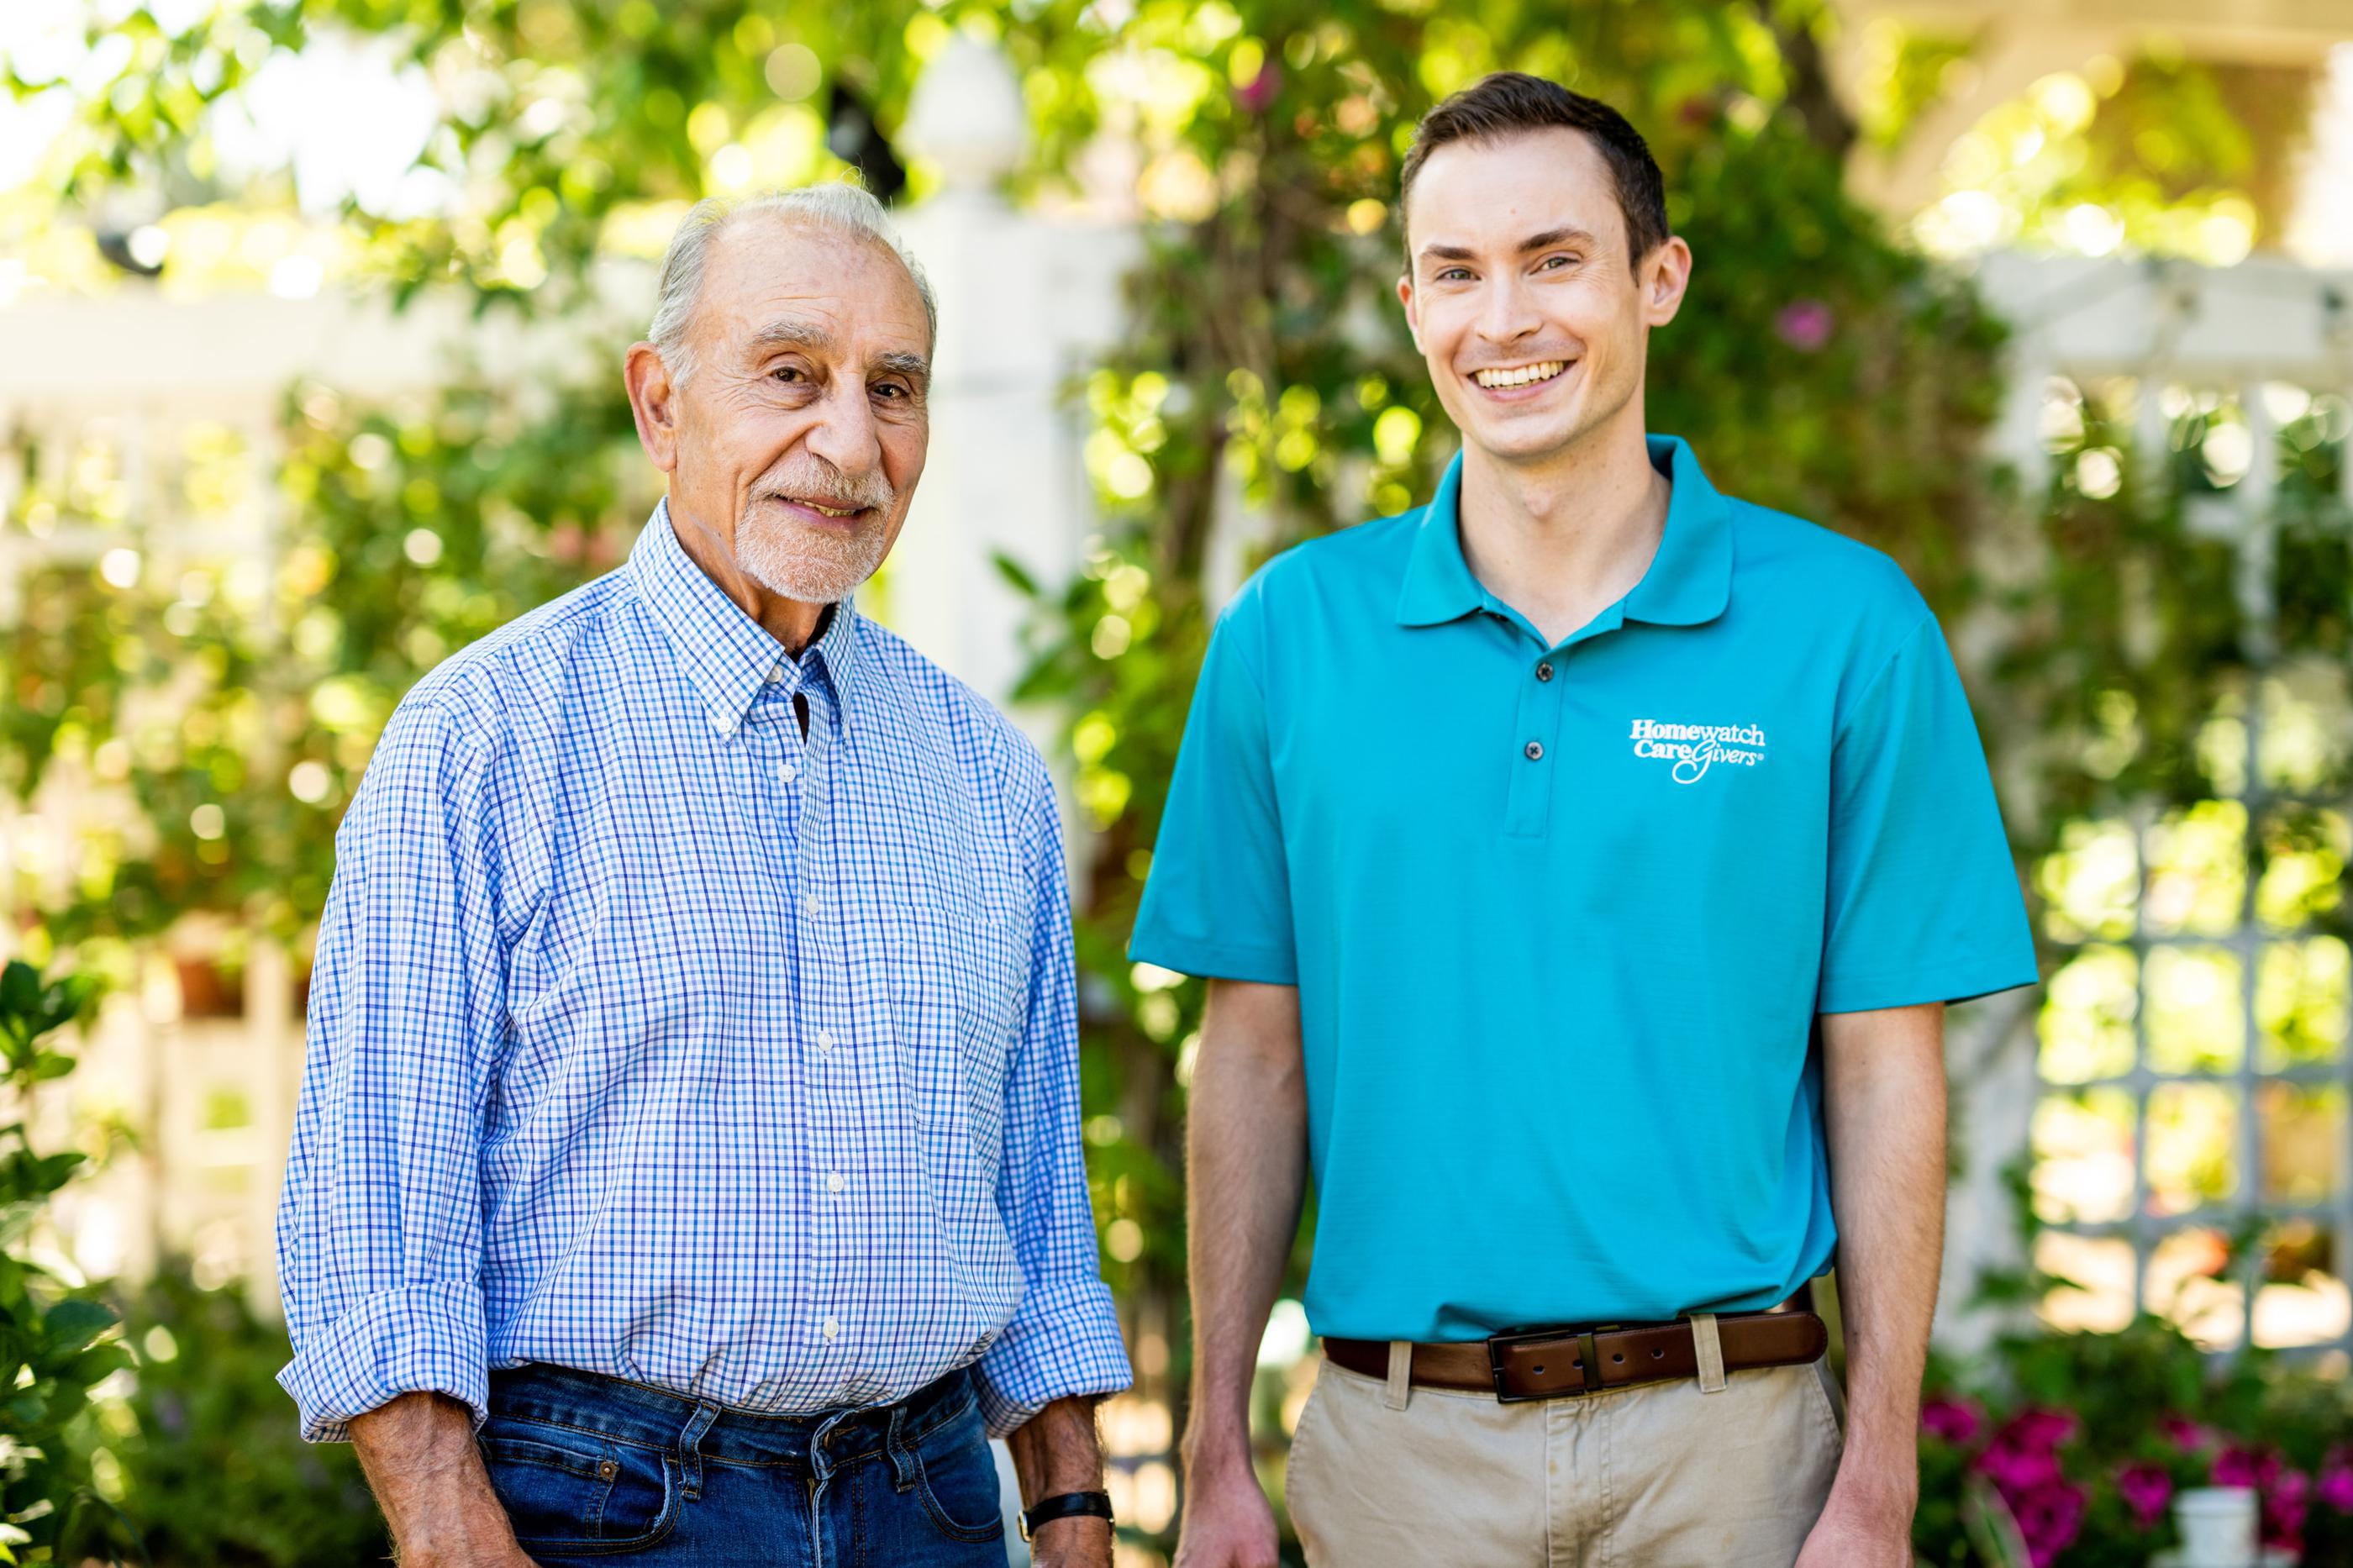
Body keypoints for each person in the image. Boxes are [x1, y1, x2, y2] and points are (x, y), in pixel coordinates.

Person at [1134, 72, 2038, 1568]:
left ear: (1656, 280)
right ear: (1413, 306)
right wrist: (1214, 1450)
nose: (1506, 321)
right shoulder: (1293, 634)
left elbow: (1886, 1067)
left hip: (1736, 1450)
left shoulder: (1846, 628)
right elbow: (1252, 1048)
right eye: (1458, 273)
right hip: (1397, 1457)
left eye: (1554, 259)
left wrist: (1876, 1482)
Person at [277, 184, 1132, 1568]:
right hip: (603, 1508)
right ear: (661, 404)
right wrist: (453, 1538)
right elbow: (375, 1217)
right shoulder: (479, 742)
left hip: (935, 1505)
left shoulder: (990, 776)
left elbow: (1036, 1208)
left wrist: (1077, 1515)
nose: (849, 442)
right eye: (791, 374)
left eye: (893, 388)